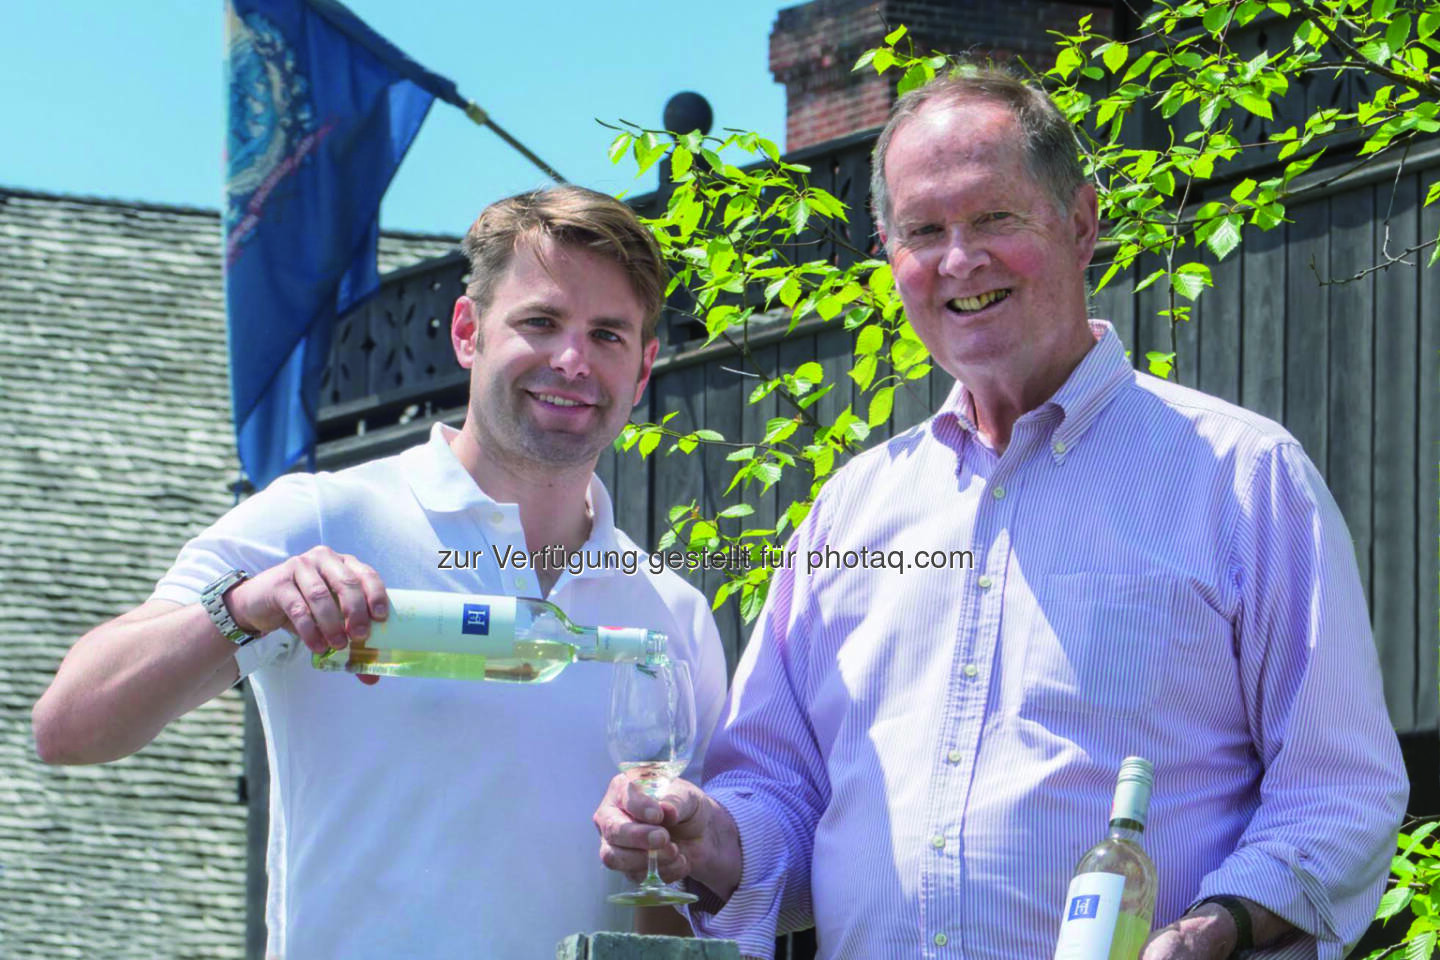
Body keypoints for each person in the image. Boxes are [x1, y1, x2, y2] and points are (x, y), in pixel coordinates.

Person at [594, 70, 1409, 960]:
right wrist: (710, 835)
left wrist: (1220, 927)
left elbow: (1339, 792)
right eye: (923, 231)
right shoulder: (851, 513)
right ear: (888, 251)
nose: (958, 260)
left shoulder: (1241, 478)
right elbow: (783, 797)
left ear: (1083, 223)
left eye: (994, 219)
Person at [33, 186, 729, 957]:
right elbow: (70, 725)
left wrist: (672, 861)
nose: (572, 360)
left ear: (643, 369)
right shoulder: (324, 521)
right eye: (540, 322)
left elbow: (681, 905)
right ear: (468, 333)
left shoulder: (672, 614)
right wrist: (249, 606)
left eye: (608, 335)